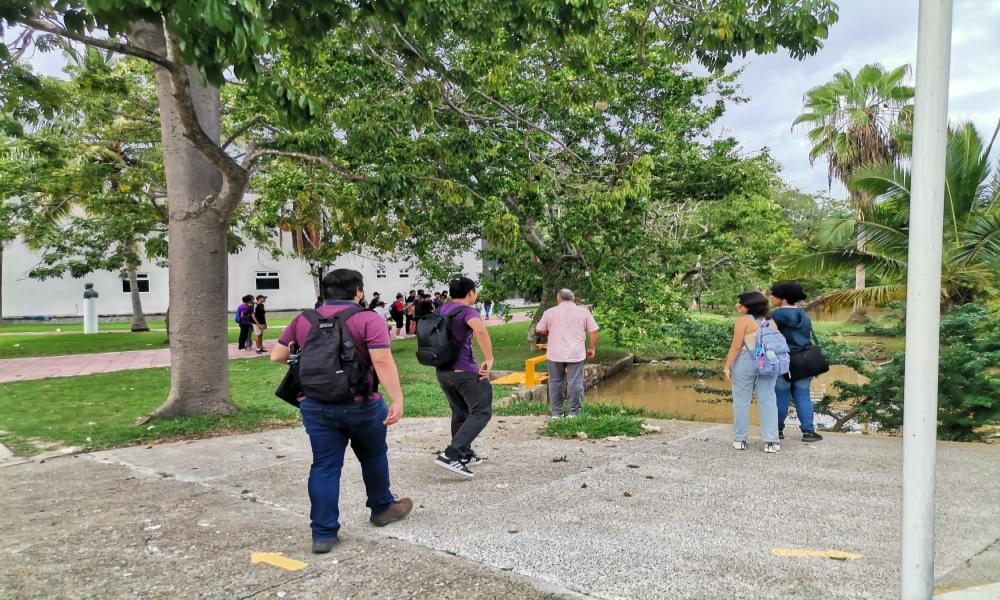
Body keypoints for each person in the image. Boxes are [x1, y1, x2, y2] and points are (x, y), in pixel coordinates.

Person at [271, 269, 412, 554]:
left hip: (316, 406)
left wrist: (316, 370)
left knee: (324, 466)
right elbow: (382, 361)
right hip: (362, 404)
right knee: (373, 456)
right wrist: (397, 398)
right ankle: (382, 508)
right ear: (358, 291)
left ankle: (323, 533)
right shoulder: (368, 318)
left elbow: (278, 355)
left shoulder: (304, 319)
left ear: (326, 292)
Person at [433, 277, 495, 478]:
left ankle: (464, 454)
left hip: (443, 371)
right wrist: (489, 358)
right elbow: (480, 331)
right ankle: (452, 454)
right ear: (471, 293)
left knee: (460, 412)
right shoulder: (468, 311)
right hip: (464, 371)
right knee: (481, 411)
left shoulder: (441, 310)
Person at [723, 291, 781, 453]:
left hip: (747, 362)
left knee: (741, 401)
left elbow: (736, 346)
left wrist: (727, 367)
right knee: (768, 401)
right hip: (767, 363)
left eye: (739, 302)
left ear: (748, 306)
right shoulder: (771, 322)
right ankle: (771, 441)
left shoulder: (743, 321)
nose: (737, 305)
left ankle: (740, 439)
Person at [770, 281, 823, 442]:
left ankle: (777, 430)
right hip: (804, 362)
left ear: (783, 298)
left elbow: (767, 340)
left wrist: (759, 361)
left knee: (781, 395)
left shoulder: (774, 316)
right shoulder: (804, 315)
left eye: (774, 294)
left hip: (782, 362)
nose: (771, 297)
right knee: (803, 395)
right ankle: (808, 432)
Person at [534, 289, 600, 418]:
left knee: (555, 382)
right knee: (575, 382)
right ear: (574, 299)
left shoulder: (550, 312)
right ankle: (574, 413)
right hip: (576, 353)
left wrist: (548, 331)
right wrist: (591, 348)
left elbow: (540, 329)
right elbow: (594, 332)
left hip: (555, 353)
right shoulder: (583, 312)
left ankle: (556, 413)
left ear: (558, 299)